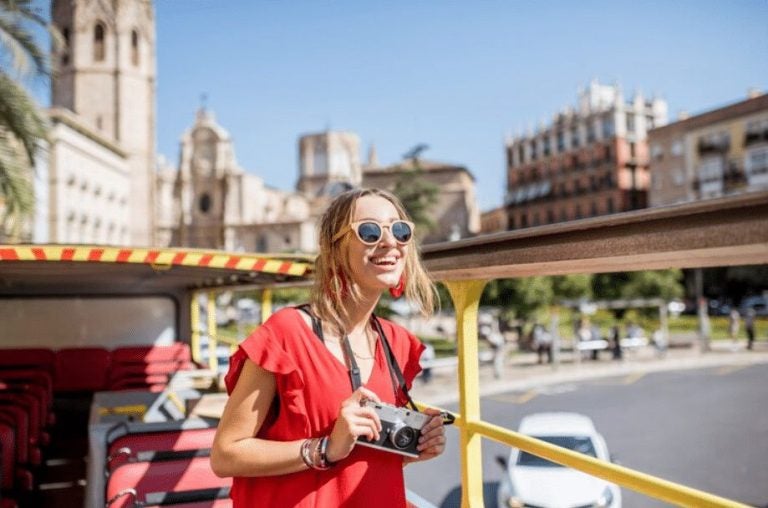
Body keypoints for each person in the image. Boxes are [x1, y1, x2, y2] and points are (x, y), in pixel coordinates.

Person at [210, 189, 447, 508]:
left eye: (400, 230)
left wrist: (413, 447)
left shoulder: (397, 343)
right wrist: (325, 448)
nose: (390, 241)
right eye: (370, 231)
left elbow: (360, 459)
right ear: (335, 249)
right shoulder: (286, 335)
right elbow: (225, 455)